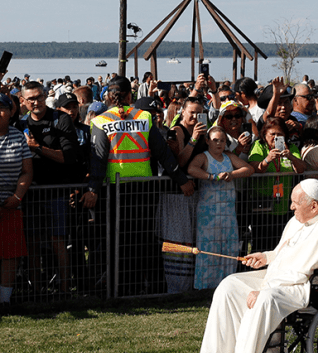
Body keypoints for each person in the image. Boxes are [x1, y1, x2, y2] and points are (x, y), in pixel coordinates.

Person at [176, 179, 318, 353]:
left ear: (314, 206)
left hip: (302, 287)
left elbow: (302, 272)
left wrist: (262, 289)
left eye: (295, 202)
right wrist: (266, 257)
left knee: (264, 299)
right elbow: (285, 252)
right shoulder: (298, 220)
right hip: (278, 278)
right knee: (230, 286)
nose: (291, 206)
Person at [81, 76, 194, 295]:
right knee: (143, 240)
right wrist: (182, 180)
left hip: (114, 190)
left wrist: (93, 189)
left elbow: (98, 159)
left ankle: (120, 289)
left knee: (117, 242)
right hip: (144, 188)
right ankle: (150, 288)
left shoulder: (100, 121)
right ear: (129, 95)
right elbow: (163, 154)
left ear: (108, 96)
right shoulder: (144, 117)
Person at [20, 81, 80, 295]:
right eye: (31, 99)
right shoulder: (21, 123)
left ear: (45, 96)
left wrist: (39, 149)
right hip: (31, 192)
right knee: (33, 243)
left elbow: (69, 157)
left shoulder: (60, 119)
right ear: (23, 101)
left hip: (56, 190)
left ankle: (64, 291)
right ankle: (36, 291)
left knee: (57, 242)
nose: (36, 102)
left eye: (39, 97)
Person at [187, 126, 253, 289]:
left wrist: (232, 175)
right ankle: (205, 285)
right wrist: (211, 177)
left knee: (228, 247)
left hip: (228, 211)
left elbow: (248, 169)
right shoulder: (203, 157)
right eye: (215, 140)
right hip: (208, 212)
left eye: (222, 140)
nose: (219, 143)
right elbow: (191, 169)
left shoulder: (229, 157)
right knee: (208, 248)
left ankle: (227, 283)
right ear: (208, 141)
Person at [248, 117, 305, 252]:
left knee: (282, 245)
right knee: (262, 245)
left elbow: (301, 169)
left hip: (284, 205)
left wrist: (291, 157)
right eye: (272, 134)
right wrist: (267, 159)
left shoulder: (290, 148)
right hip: (263, 205)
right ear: (265, 135)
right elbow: (255, 168)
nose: (276, 137)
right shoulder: (259, 146)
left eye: (279, 134)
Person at [0, 94, 33, 307]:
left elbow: (27, 171)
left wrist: (17, 196)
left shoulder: (18, 137)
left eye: (2, 108)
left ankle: (4, 300)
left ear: (11, 112)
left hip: (10, 206)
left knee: (10, 256)